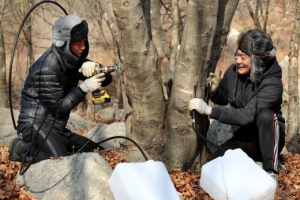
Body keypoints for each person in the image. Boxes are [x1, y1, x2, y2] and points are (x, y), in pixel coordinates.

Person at [8, 15, 112, 163]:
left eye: (84, 41)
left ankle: (56, 143)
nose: (83, 47)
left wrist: (98, 69)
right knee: (61, 161)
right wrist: (84, 88)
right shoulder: (46, 68)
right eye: (78, 43)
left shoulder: (74, 59)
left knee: (97, 151)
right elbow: (59, 108)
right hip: (33, 125)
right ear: (63, 43)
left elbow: (107, 80)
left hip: (56, 127)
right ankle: (21, 148)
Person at [189, 29, 285, 187]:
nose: (238, 61)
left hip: (269, 139)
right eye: (237, 55)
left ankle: (271, 171)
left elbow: (246, 115)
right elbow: (224, 96)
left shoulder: (273, 84)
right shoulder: (235, 71)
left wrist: (209, 111)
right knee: (216, 164)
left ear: (258, 59)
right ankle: (253, 164)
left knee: (265, 115)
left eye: (243, 57)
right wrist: (214, 91)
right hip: (244, 136)